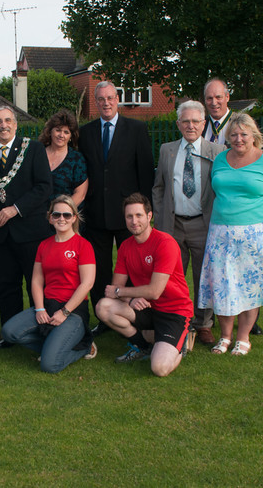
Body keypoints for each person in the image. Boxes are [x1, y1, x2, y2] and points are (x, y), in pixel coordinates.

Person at [199, 113, 263, 356]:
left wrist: (258, 217)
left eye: (243, 134)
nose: (238, 139)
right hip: (221, 234)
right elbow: (215, 189)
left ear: (254, 136)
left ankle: (243, 338)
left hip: (257, 235)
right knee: (222, 284)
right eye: (234, 135)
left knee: (251, 286)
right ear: (227, 138)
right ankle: (225, 337)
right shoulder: (220, 159)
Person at [78, 81, 154, 335]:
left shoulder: (136, 129)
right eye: (101, 99)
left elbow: (145, 173)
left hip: (128, 215)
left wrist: (144, 213)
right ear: (95, 102)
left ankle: (133, 314)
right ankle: (104, 315)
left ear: (117, 99)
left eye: (110, 98)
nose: (106, 103)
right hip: (95, 212)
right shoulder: (85, 133)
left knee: (132, 267)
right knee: (98, 269)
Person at [95, 194, 194, 377]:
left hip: (173, 311)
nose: (134, 221)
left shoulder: (165, 243)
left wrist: (121, 292)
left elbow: (154, 291)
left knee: (159, 368)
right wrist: (130, 298)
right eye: (129, 216)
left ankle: (182, 340)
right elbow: (116, 287)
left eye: (139, 215)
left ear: (149, 216)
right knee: (103, 307)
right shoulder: (125, 247)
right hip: (147, 308)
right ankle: (142, 345)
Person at [152, 100, 225, 346]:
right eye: (186, 121)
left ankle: (203, 324)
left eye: (195, 121)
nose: (191, 125)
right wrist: (161, 223)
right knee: (173, 277)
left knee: (204, 277)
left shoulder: (217, 151)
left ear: (204, 124)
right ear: (178, 124)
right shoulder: (167, 150)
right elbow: (159, 188)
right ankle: (177, 320)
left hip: (204, 225)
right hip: (173, 226)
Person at [0, 105, 52, 347]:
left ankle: (41, 332)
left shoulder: (34, 149)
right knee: (7, 285)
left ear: (16, 124)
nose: (3, 125)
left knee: (35, 285)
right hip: (0, 233)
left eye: (8, 120)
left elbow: (44, 187)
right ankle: (11, 334)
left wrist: (15, 209)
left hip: (30, 231)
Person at [1, 195, 97, 372]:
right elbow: (37, 280)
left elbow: (87, 283)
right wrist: (39, 309)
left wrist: (65, 312)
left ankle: (84, 346)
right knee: (9, 332)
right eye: (57, 214)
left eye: (67, 215)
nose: (62, 219)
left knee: (49, 365)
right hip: (48, 305)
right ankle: (52, 346)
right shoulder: (44, 245)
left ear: (74, 218)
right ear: (50, 217)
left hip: (73, 311)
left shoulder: (83, 245)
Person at [39, 109, 88, 208]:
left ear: (71, 136)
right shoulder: (37, 154)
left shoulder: (76, 159)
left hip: (64, 218)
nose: (61, 135)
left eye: (66, 132)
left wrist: (60, 213)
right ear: (50, 131)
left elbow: (80, 194)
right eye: (58, 130)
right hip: (37, 216)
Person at [203, 78, 233, 146]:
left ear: (227, 97)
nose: (214, 103)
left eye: (218, 97)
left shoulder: (242, 124)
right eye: (209, 98)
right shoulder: (200, 124)